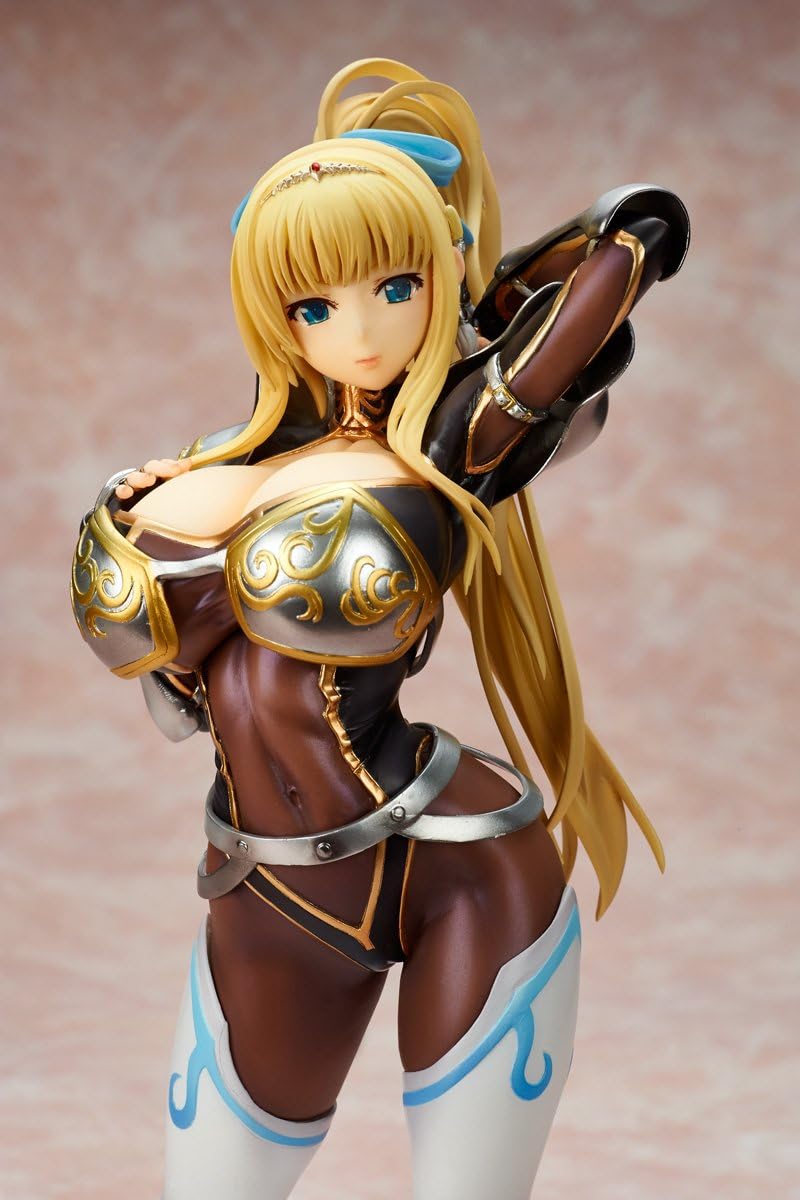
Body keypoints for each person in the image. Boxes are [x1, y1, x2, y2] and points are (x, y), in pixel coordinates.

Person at [70, 61, 689, 1200]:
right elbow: (171, 703)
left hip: (456, 865)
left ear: (436, 278)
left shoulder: (454, 442)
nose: (354, 330)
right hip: (261, 882)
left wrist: (476, 295)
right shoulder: (222, 460)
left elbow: (632, 237)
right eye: (314, 305)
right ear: (275, 316)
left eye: (390, 287)